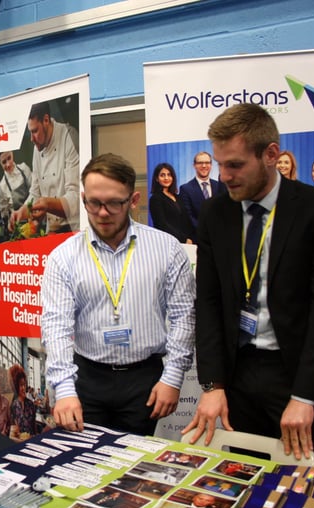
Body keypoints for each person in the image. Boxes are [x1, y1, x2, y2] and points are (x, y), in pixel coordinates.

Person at [183, 103, 314, 467]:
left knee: (299, 490)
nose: (224, 175)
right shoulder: (215, 214)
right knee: (239, 482)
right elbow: (207, 302)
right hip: (237, 376)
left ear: (271, 154)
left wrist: (305, 396)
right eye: (220, 163)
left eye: (235, 164)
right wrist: (212, 385)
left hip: (298, 375)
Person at [42, 153, 195, 436]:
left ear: (133, 200)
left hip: (144, 380)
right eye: (93, 203)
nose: (102, 212)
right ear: (84, 198)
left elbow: (184, 316)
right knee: (84, 467)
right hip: (86, 378)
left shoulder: (167, 249)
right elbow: (56, 326)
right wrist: (63, 389)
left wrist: (173, 377)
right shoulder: (63, 257)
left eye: (113, 203)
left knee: (133, 468)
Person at [9, 100, 80, 233]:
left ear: (46, 120)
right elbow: (35, 193)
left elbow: (75, 198)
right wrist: (20, 213)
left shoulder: (68, 136)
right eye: (30, 131)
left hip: (73, 229)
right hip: (51, 230)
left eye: (35, 131)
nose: (31, 139)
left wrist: (47, 205)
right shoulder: (38, 147)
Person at [149, 162, 195, 243]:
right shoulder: (155, 199)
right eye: (162, 175)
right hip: (167, 242)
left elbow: (186, 220)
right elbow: (162, 225)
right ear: (157, 179)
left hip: (186, 243)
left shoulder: (178, 197)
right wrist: (183, 239)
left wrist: (191, 238)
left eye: (169, 175)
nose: (166, 178)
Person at [179, 151, 226, 230]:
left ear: (211, 165)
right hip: (198, 236)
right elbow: (188, 216)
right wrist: (206, 231)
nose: (204, 166)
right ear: (194, 165)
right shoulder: (186, 189)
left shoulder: (219, 186)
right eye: (200, 163)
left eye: (207, 162)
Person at [0, 150, 32, 225]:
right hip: (19, 225)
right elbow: (4, 214)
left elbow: (35, 191)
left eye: (9, 158)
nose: (8, 164)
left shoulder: (24, 168)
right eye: (4, 162)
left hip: (34, 217)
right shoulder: (2, 185)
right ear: (0, 163)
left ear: (12, 153)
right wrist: (8, 224)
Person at [8, 364, 37, 439]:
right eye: (21, 385)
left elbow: (34, 428)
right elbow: (13, 432)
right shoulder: (13, 406)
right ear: (15, 386)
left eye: (24, 384)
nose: (23, 388)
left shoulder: (31, 404)